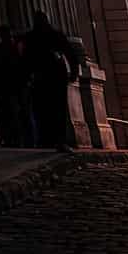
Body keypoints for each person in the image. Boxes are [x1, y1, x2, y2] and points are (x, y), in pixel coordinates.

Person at [24, 10, 79, 149]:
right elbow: (70, 53)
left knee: (43, 109)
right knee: (57, 109)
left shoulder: (31, 37)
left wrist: (27, 77)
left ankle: (45, 139)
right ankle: (59, 140)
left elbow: (26, 59)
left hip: (41, 77)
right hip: (55, 76)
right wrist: (74, 72)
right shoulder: (55, 35)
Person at [0, 25, 31, 146]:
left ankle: (18, 139)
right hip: (13, 86)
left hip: (10, 86)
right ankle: (23, 139)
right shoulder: (14, 48)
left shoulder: (6, 49)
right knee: (18, 113)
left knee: (14, 113)